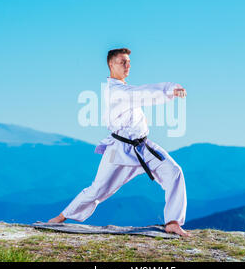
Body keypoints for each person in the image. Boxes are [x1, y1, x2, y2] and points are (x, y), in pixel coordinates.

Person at [47, 48, 190, 237]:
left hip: (143, 147)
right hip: (119, 150)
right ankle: (62, 216)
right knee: (98, 189)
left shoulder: (124, 89)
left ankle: (172, 222)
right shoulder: (116, 91)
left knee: (174, 172)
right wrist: (169, 89)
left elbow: (138, 96)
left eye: (129, 62)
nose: (127, 65)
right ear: (111, 64)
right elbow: (142, 93)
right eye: (123, 62)